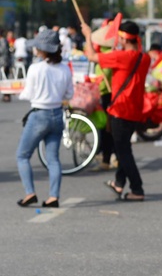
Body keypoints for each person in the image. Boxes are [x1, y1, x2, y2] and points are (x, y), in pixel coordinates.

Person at [82, 20, 151, 201]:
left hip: (120, 110)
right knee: (124, 148)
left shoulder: (122, 56)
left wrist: (88, 35)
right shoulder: (145, 57)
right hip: (135, 110)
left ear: (123, 38)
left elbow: (91, 56)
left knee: (123, 152)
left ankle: (137, 189)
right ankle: (119, 184)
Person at [16, 29, 74, 208]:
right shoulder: (65, 69)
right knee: (53, 159)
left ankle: (30, 193)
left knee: (23, 155)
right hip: (57, 114)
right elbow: (69, 94)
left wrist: (18, 93)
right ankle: (53, 196)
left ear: (42, 49)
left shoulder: (35, 69)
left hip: (39, 114)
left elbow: (28, 94)